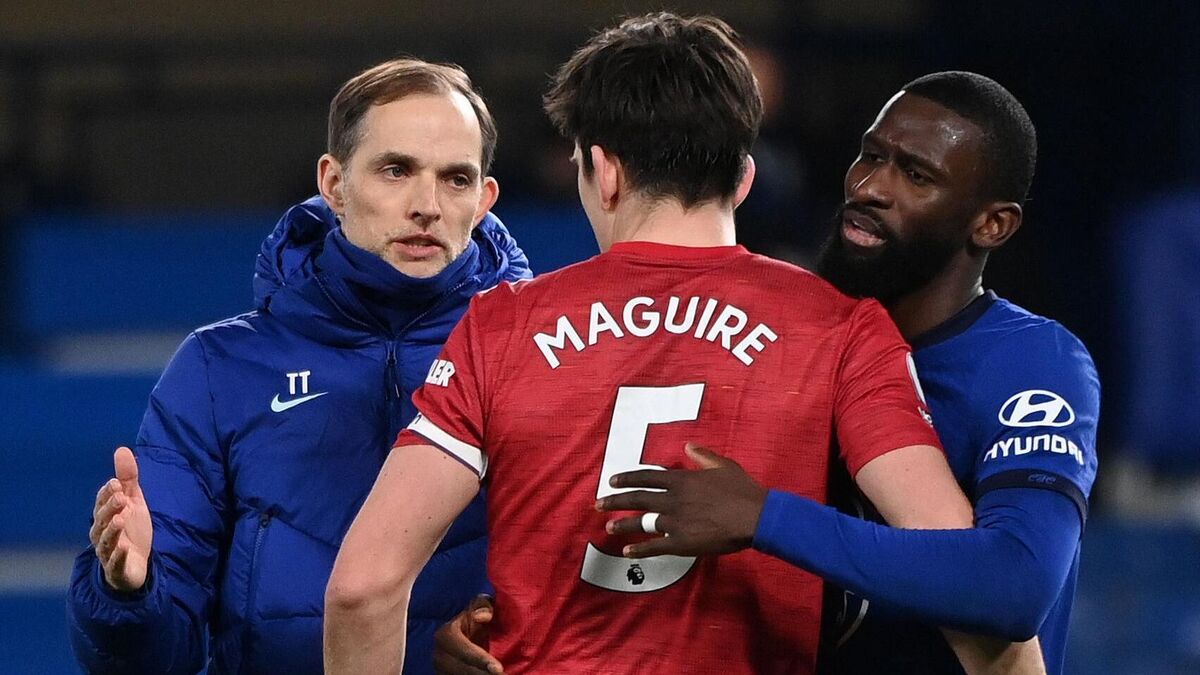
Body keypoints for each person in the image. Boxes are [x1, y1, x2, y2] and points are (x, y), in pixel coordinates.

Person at [324, 14, 989, 674]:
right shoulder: (842, 328)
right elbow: (964, 574)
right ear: (744, 178)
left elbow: (364, 587)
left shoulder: (503, 324)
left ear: (604, 171)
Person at [594, 72, 1099, 675]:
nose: (869, 187)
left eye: (916, 176)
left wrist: (766, 518)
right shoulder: (776, 332)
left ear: (992, 225)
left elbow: (1015, 585)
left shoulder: (1030, 363)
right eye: (871, 154)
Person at [65, 58, 530, 674]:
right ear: (334, 183)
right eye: (396, 170)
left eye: (456, 179)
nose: (427, 205)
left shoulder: (544, 352)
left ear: (485, 200)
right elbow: (153, 659)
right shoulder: (220, 369)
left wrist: (518, 630)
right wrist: (128, 592)